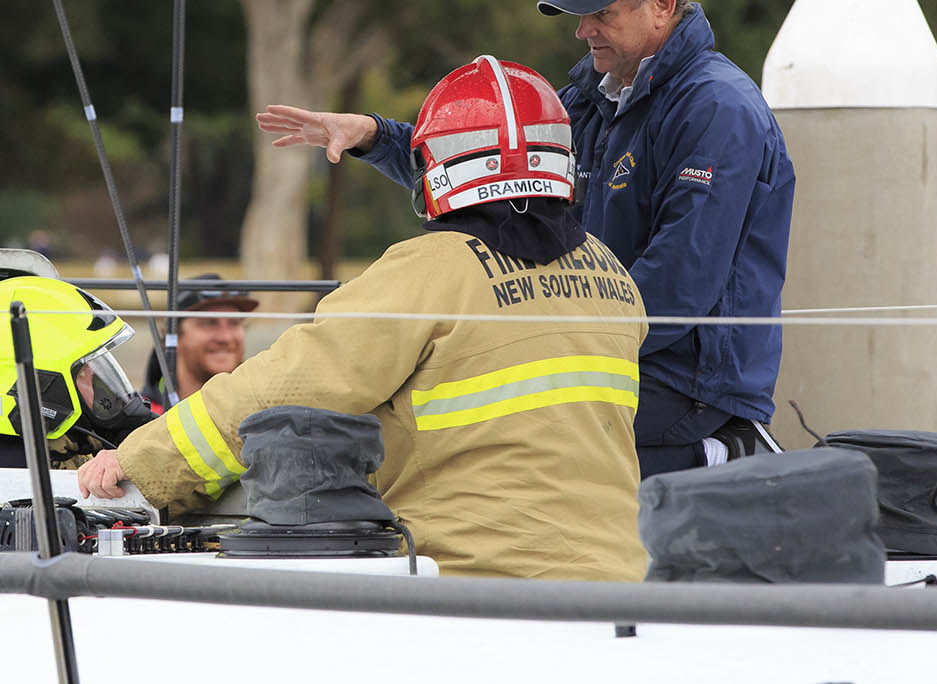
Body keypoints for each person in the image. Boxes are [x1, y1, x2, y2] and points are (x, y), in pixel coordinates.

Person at [80, 57, 649, 580]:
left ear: (438, 168)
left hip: (475, 588)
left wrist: (140, 466)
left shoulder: (426, 273)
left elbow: (280, 393)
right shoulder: (612, 277)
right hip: (618, 588)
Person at [255, 0, 795, 477]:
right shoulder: (592, 99)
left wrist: (555, 343)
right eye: (579, 14)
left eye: (600, 13)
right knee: (426, 412)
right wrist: (376, 136)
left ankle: (720, 455)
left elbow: (681, 284)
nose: (582, 30)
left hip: (689, 386)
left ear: (662, 5)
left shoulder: (718, 108)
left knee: (483, 430)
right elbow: (481, 174)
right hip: (608, 352)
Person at [0, 276, 154, 468]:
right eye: (83, 370)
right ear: (43, 388)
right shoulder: (10, 473)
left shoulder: (72, 448)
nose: (101, 384)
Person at [142, 273, 258, 412]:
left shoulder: (263, 416)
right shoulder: (142, 421)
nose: (225, 337)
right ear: (174, 335)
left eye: (234, 323)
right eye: (209, 323)